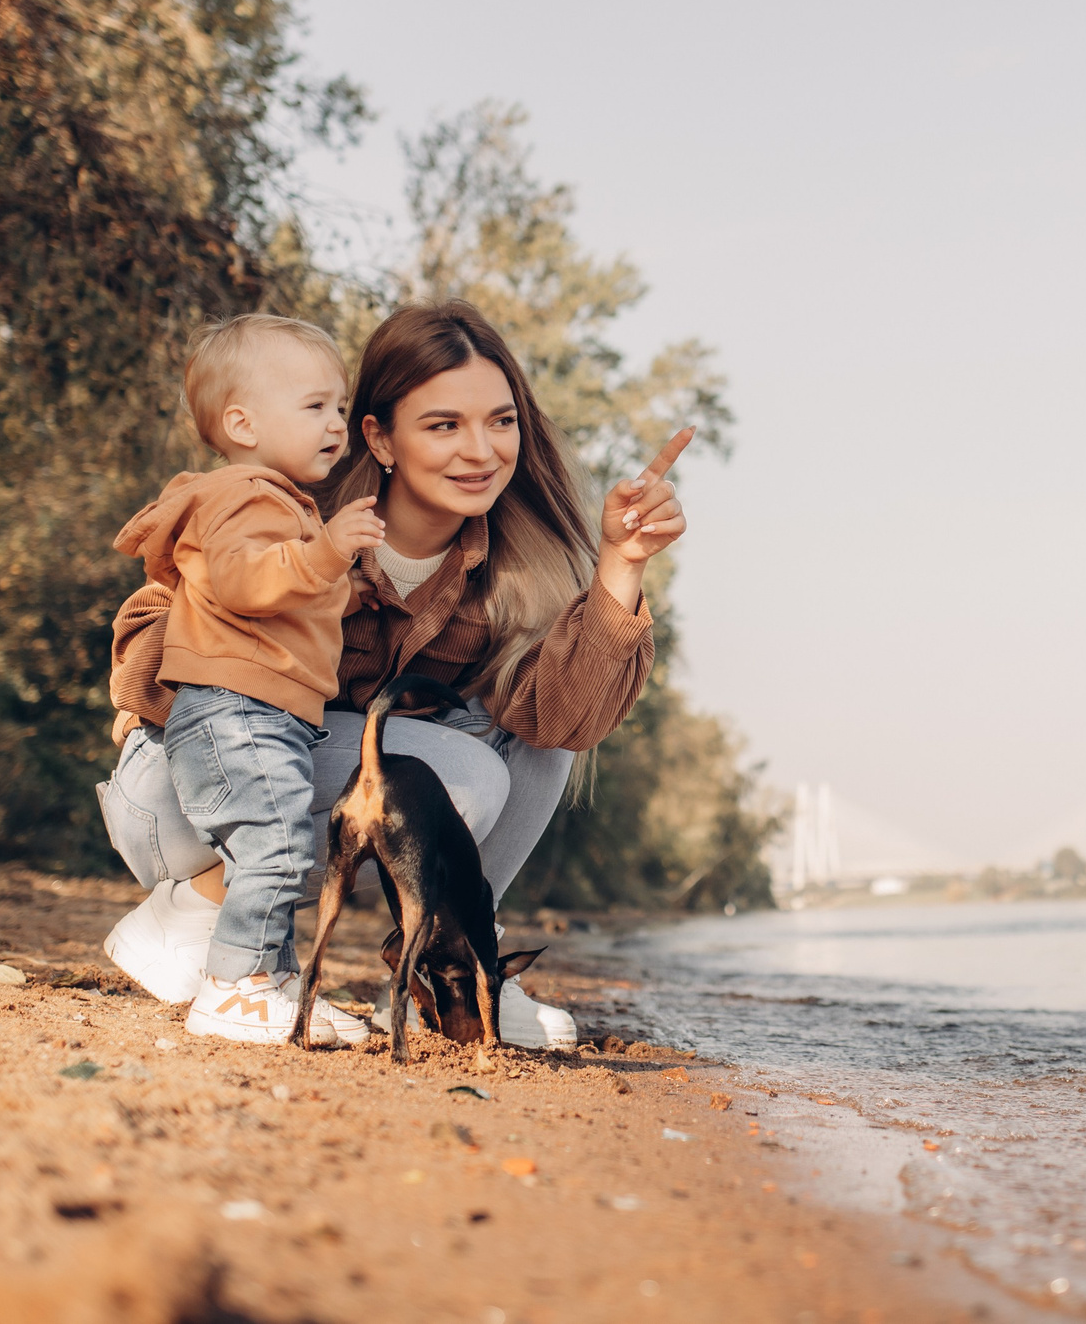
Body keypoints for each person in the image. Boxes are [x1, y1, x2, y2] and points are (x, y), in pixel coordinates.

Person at [99, 299, 690, 1049]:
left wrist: (622, 564)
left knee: (538, 737)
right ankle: (195, 910)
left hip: (303, 788)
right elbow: (145, 651)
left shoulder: (513, 568)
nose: (480, 450)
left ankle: (452, 955)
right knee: (460, 775)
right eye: (444, 425)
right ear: (379, 436)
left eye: (501, 421)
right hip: (181, 793)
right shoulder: (291, 506)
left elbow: (568, 719)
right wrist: (298, 598)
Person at [101, 313, 386, 1046]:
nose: (337, 424)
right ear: (242, 423)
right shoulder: (241, 493)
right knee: (278, 848)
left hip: (263, 710)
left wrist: (346, 589)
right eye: (315, 406)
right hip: (236, 708)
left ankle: (271, 981)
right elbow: (241, 581)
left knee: (275, 847)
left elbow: (281, 601)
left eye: (341, 407)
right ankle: (234, 987)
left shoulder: (278, 502)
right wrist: (328, 553)